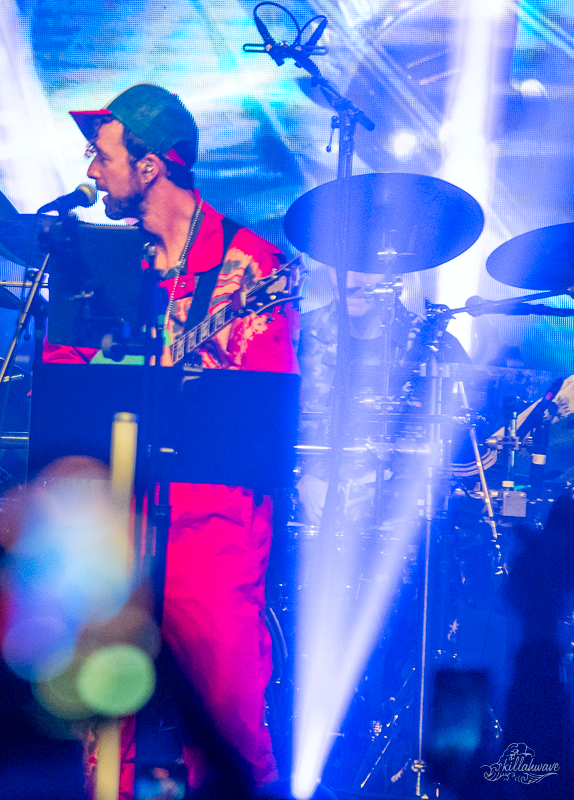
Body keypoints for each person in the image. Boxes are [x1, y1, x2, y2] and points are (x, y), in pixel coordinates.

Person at [48, 84, 298, 793]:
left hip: (210, 523)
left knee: (229, 724)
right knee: (93, 723)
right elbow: (66, 393)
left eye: (102, 156)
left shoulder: (251, 266)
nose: (91, 172)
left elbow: (262, 418)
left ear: (151, 166)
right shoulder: (97, 264)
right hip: (112, 523)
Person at [296, 268, 469, 528]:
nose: (350, 283)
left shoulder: (435, 348)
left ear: (395, 272)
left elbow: (461, 458)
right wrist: (300, 481)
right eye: (341, 266)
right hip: (300, 528)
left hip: (405, 536)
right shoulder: (297, 337)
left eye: (365, 269)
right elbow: (257, 435)